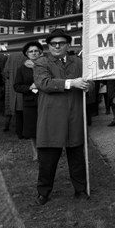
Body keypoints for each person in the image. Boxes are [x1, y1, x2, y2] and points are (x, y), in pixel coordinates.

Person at [33, 28, 89, 205]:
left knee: (77, 156)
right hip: (51, 118)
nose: (57, 46)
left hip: (74, 116)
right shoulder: (41, 62)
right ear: (48, 46)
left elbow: (90, 80)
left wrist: (89, 86)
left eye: (61, 43)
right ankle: (43, 192)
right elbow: (44, 83)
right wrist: (72, 83)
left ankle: (80, 190)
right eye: (53, 44)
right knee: (48, 160)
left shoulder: (78, 62)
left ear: (68, 45)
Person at [13, 41, 43, 161]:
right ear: (27, 54)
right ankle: (36, 152)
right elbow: (17, 86)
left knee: (46, 127)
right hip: (30, 103)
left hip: (45, 100)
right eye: (31, 51)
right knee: (32, 129)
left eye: (36, 51)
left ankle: (47, 150)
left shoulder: (47, 65)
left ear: (40, 52)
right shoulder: (22, 69)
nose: (34, 53)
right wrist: (29, 87)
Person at [3, 52, 25, 133]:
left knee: (10, 107)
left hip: (10, 86)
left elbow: (5, 72)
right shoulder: (26, 55)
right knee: (21, 108)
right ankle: (20, 129)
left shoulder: (11, 56)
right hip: (22, 86)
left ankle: (8, 126)